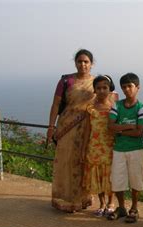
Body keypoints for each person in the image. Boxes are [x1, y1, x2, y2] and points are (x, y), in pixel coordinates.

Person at [46, 49, 96, 212]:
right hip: (67, 127)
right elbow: (55, 105)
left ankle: (81, 198)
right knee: (65, 161)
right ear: (75, 63)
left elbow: (107, 102)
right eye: (80, 61)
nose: (83, 64)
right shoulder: (66, 81)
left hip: (87, 128)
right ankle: (64, 199)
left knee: (82, 162)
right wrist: (51, 126)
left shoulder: (97, 82)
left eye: (86, 62)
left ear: (92, 64)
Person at [107, 73, 143, 223]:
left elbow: (139, 132)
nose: (126, 90)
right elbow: (110, 127)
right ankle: (122, 207)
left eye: (130, 86)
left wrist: (120, 129)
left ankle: (135, 208)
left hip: (136, 149)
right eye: (124, 87)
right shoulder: (116, 105)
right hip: (119, 149)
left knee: (136, 179)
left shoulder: (141, 108)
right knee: (118, 180)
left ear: (137, 87)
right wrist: (129, 126)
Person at [81, 75, 116, 217]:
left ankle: (111, 203)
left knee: (110, 176)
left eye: (105, 88)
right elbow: (87, 129)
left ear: (109, 89)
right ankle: (102, 203)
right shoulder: (90, 108)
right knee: (98, 176)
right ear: (94, 90)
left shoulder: (114, 107)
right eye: (99, 88)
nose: (102, 91)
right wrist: (84, 148)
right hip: (94, 147)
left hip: (110, 147)